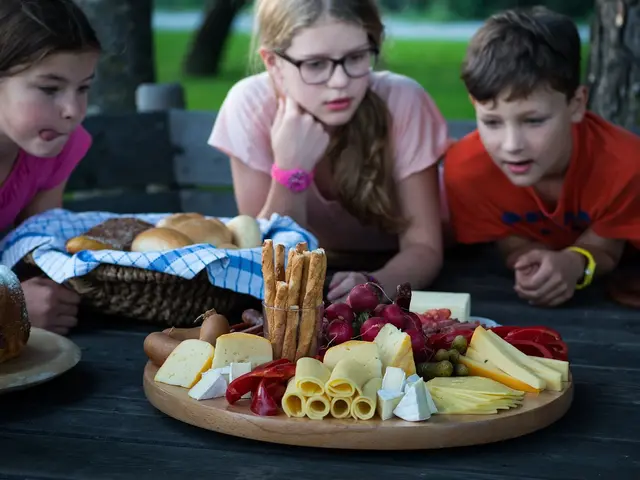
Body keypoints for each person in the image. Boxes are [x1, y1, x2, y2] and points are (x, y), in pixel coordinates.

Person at [209, 0, 448, 303]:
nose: (340, 82)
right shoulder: (250, 105)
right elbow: (269, 263)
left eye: (356, 57)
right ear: (273, 62)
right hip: (318, 276)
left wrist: (372, 286)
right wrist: (291, 170)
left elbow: (424, 247)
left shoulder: (403, 101)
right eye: (315, 64)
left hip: (408, 270)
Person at [442, 6, 640, 308]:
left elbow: (607, 247)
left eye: (533, 121)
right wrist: (531, 262)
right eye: (492, 122)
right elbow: (509, 243)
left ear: (576, 103)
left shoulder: (625, 166)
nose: (511, 145)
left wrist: (574, 264)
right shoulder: (466, 172)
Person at [0, 0, 101, 334]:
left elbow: (36, 251)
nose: (72, 109)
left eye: (83, 87)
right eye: (49, 88)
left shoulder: (59, 144)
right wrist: (11, 307)